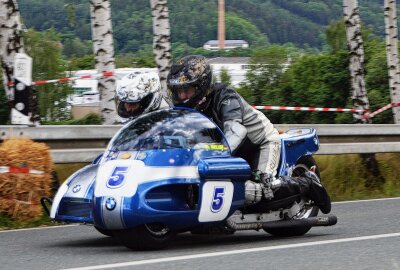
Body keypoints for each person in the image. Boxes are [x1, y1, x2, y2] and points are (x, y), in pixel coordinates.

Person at [166, 55, 331, 214]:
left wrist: (215, 156)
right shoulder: (189, 109)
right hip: (233, 149)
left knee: (265, 191)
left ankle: (308, 183)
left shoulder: (225, 97)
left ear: (201, 86)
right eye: (178, 91)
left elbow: (236, 131)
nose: (182, 96)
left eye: (186, 90)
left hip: (261, 142)